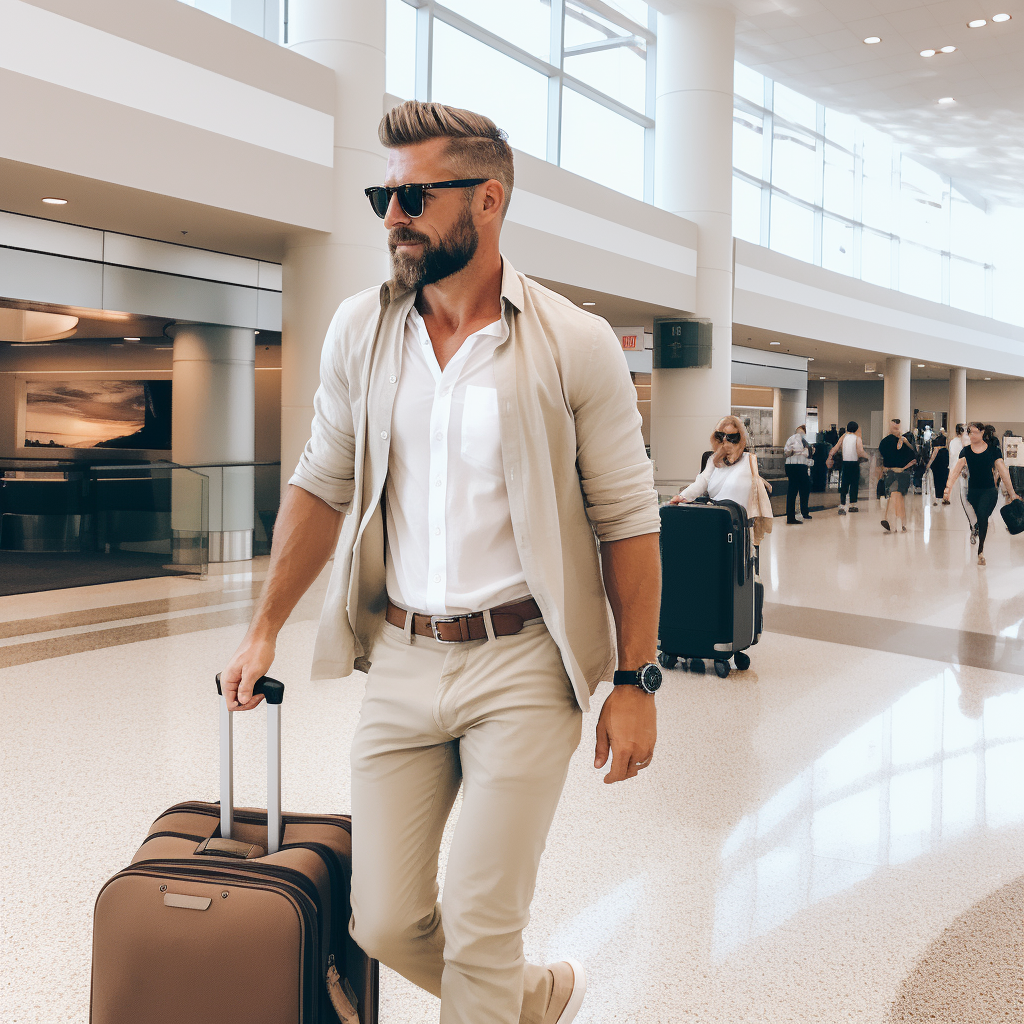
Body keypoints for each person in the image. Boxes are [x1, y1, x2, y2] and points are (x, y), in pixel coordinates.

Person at [220, 100, 663, 1024]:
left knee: (479, 922)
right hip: (404, 658)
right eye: (383, 193)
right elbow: (321, 483)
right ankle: (531, 1000)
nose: (391, 215)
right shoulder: (362, 329)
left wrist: (635, 678)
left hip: (525, 662)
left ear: (488, 199)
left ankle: (500, 989)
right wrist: (262, 628)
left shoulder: (572, 343)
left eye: (414, 194)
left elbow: (628, 520)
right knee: (380, 920)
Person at [668, 416, 773, 542]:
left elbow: (741, 488)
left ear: (740, 439)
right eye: (721, 437)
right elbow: (702, 481)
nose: (726, 443)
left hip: (737, 523)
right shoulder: (713, 460)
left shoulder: (748, 461)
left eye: (732, 438)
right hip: (715, 518)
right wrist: (683, 496)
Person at [944, 422, 1018, 565]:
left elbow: (1003, 472)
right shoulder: (966, 451)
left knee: (983, 516)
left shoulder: (993, 451)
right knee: (980, 517)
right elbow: (956, 470)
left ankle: (980, 551)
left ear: (982, 433)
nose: (972, 435)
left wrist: (1012, 493)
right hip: (973, 492)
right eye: (970, 432)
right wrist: (948, 488)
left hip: (989, 491)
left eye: (975, 432)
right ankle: (976, 528)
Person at [878, 418, 917, 533]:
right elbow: (913, 456)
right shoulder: (900, 442)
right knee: (897, 496)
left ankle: (896, 522)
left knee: (895, 496)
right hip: (899, 472)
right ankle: (901, 522)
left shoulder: (890, 442)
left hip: (896, 472)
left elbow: (883, 457)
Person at [826, 421, 865, 515]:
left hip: (845, 463)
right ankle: (853, 505)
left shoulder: (843, 437)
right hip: (854, 463)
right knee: (854, 484)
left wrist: (829, 457)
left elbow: (834, 449)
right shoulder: (857, 438)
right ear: (856, 429)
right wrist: (867, 457)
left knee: (845, 483)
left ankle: (842, 505)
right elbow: (860, 451)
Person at [783, 423, 813, 524]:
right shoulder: (802, 441)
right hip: (798, 466)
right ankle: (799, 513)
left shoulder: (794, 439)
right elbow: (806, 454)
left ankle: (792, 515)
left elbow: (787, 452)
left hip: (792, 466)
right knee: (801, 489)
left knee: (793, 490)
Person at [927, 434, 950, 505]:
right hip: (944, 468)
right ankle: (943, 498)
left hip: (936, 468)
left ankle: (936, 499)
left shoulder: (937, 449)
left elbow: (933, 458)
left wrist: (928, 465)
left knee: (936, 483)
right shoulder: (946, 450)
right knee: (944, 482)